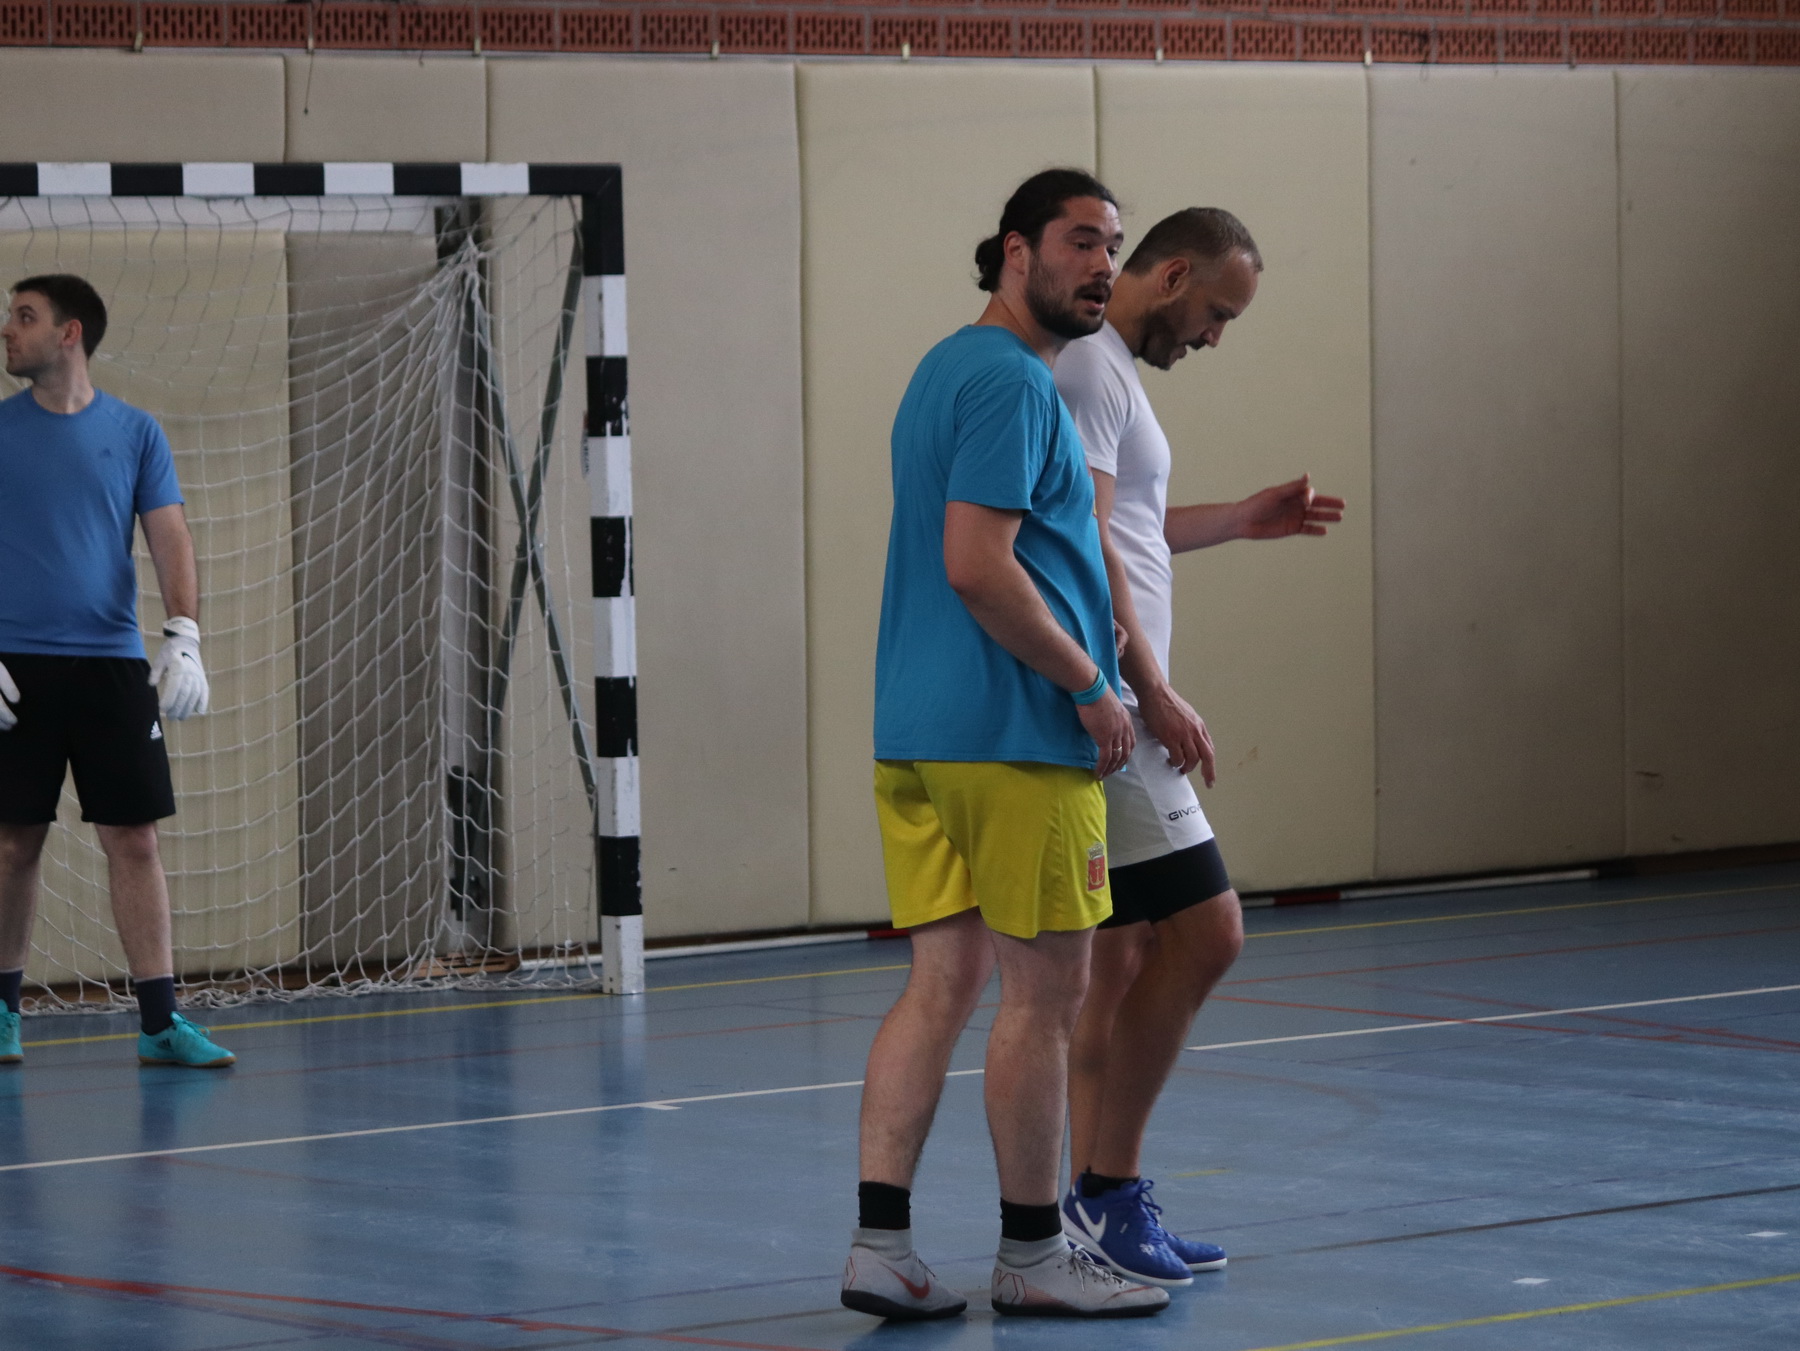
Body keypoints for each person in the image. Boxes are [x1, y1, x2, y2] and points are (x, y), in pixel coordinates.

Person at [839, 171, 1168, 1322]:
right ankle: (1033, 1255)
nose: (1103, 266)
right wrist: (1089, 684)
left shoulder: (942, 369)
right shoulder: (1014, 383)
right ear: (1015, 251)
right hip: (1013, 738)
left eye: (1114, 246)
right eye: (1081, 241)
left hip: (919, 735)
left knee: (943, 982)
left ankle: (881, 1247)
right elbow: (978, 564)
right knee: (1045, 996)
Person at [1053, 209, 1345, 1286]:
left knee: (1121, 960)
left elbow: (1133, 527)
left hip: (1124, 697)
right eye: (1217, 312)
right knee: (1210, 932)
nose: (1216, 336)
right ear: (1173, 275)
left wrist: (1238, 519)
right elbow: (1082, 543)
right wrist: (1151, 687)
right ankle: (1105, 1194)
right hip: (1120, 712)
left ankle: (1094, 1203)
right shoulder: (1090, 368)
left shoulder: (1113, 374)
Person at [0, 274, 232, 1069]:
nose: (8, 329)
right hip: (15, 671)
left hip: (111, 668)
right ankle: (2, 1015)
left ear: (69, 333)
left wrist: (185, 634)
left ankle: (161, 1024)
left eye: (24, 316)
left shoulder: (137, 432)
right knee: (12, 843)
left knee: (134, 839)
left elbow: (170, 536)